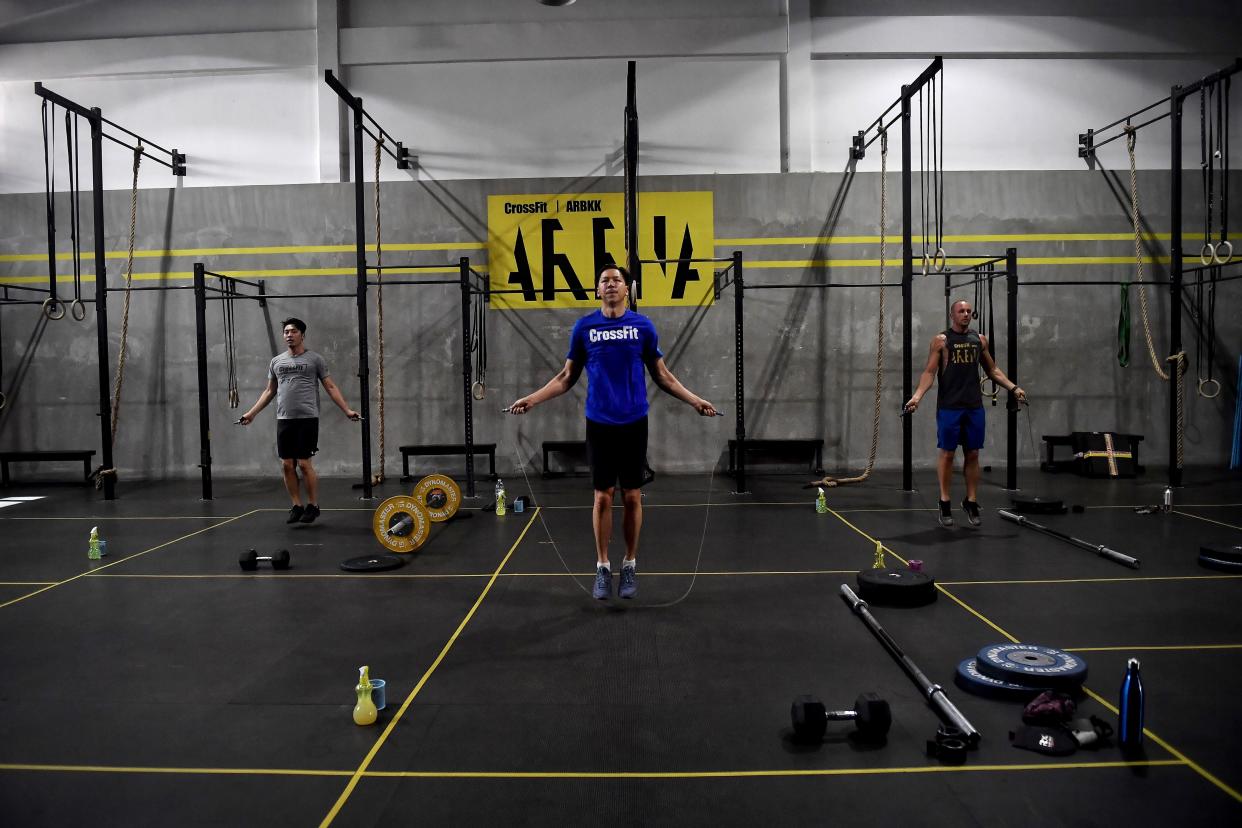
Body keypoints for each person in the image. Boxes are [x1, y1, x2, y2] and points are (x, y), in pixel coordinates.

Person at [507, 264, 717, 600]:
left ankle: (629, 563)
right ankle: (603, 567)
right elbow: (565, 377)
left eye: (617, 280)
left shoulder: (642, 327)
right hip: (600, 424)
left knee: (632, 496)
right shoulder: (585, 328)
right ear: (597, 289)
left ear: (627, 289)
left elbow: (663, 375)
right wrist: (532, 400)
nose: (610, 285)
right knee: (602, 497)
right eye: (604, 280)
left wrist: (694, 400)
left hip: (634, 423)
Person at [903, 299, 1026, 527]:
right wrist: (917, 396)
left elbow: (993, 370)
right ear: (953, 315)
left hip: (973, 407)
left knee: (973, 454)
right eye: (961, 311)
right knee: (948, 455)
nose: (966, 314)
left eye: (969, 311)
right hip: (950, 407)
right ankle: (944, 501)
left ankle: (971, 501)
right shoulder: (941, 341)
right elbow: (930, 372)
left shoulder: (979, 340)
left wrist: (1013, 388)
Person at [239, 317, 360, 524]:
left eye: (293, 331)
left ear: (302, 335)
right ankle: (297, 505)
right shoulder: (276, 361)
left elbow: (330, 386)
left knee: (304, 464)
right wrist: (251, 413)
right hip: (284, 419)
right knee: (287, 465)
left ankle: (313, 505)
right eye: (286, 332)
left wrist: (347, 410)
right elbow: (269, 391)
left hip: (307, 418)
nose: (289, 335)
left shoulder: (315, 359)